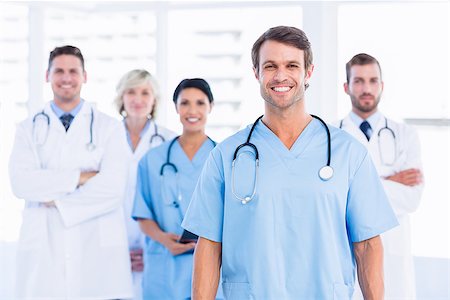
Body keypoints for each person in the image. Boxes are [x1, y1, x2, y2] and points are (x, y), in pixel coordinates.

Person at [181, 26, 399, 299]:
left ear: (308, 72)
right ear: (256, 72)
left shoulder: (349, 153)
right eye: (270, 66)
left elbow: (367, 245)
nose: (280, 75)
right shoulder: (227, 156)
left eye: (292, 65)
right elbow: (210, 244)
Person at [9, 45, 133, 299]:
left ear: (84, 77)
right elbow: (21, 183)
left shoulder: (108, 128)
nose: (67, 78)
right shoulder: (27, 129)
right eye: (59, 71)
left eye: (73, 71)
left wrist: (56, 200)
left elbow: (112, 188)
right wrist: (80, 177)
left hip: (95, 254)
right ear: (47, 76)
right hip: (44, 254)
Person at [340, 53, 424, 300]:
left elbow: (411, 199)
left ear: (382, 86)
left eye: (373, 80)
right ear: (346, 87)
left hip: (394, 251)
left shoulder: (405, 135)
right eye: (358, 81)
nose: (367, 88)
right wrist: (389, 181)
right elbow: (332, 199)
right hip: (348, 251)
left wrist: (355, 186)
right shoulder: (332, 137)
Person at [132, 78, 222, 299]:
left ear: (210, 106)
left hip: (212, 265)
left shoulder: (225, 158)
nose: (192, 110)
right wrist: (164, 239)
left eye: (200, 103)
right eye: (185, 103)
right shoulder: (152, 160)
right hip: (164, 267)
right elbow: (142, 214)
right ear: (175, 107)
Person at [114, 69, 177, 300]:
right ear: (121, 97)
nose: (138, 99)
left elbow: (172, 199)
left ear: (154, 100)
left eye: (145, 93)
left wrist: (153, 246)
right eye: (131, 92)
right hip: (111, 237)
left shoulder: (169, 141)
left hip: (153, 239)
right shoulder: (104, 137)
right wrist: (119, 253)